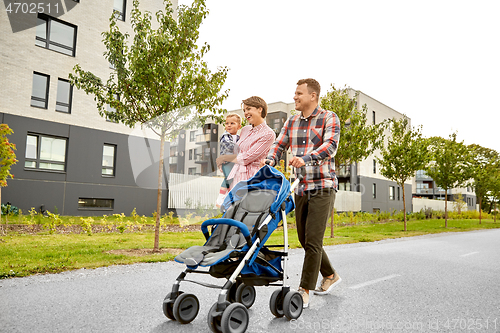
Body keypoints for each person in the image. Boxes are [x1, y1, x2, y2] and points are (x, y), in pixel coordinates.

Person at [263, 78, 341, 308]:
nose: (295, 97)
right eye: (295, 93)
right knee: (304, 239)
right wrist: (269, 160)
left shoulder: (329, 118)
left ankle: (304, 290)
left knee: (314, 240)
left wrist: (305, 159)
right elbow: (279, 144)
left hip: (323, 185)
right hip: (301, 186)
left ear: (313, 96)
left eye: (299, 93)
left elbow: (330, 147)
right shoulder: (292, 121)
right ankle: (330, 275)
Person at [216, 96, 275, 193]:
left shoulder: (268, 134)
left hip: (252, 180)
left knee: (246, 207)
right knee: (231, 207)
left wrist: (225, 158)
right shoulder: (245, 130)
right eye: (244, 110)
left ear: (260, 109)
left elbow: (247, 158)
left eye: (248, 109)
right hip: (235, 176)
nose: (245, 113)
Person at [216, 113, 242, 207]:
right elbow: (230, 147)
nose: (229, 125)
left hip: (234, 161)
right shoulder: (225, 136)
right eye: (227, 123)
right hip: (226, 161)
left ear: (239, 126)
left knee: (234, 178)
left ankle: (228, 196)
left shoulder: (239, 138)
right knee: (228, 178)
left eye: (232, 123)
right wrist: (241, 150)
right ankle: (220, 197)